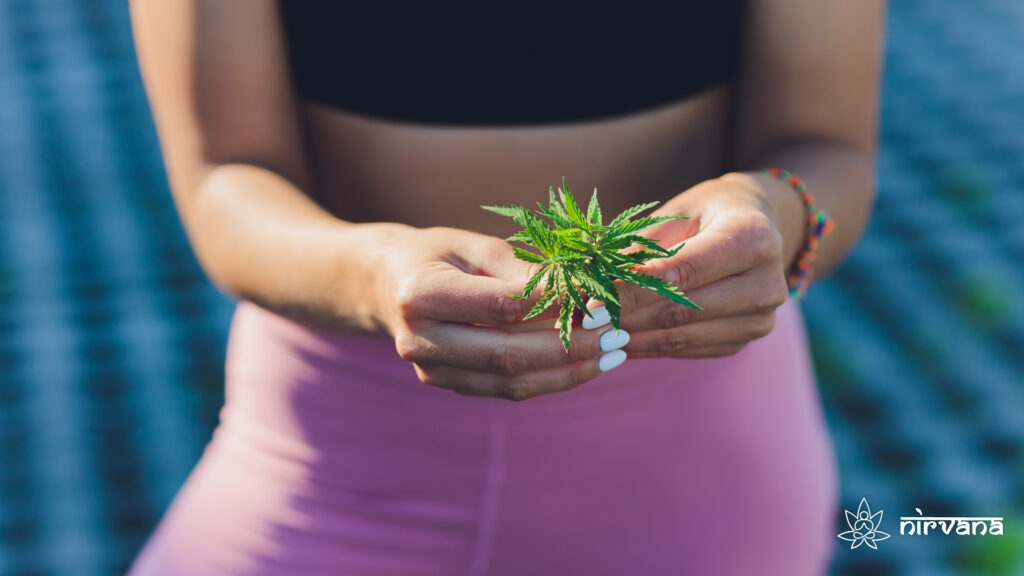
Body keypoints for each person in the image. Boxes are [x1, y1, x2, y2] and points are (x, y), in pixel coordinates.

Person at [126, 1, 883, 574]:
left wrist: (776, 214)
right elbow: (226, 176)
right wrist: (375, 275)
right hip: (338, 452)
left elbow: (827, 148)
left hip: (701, 472)